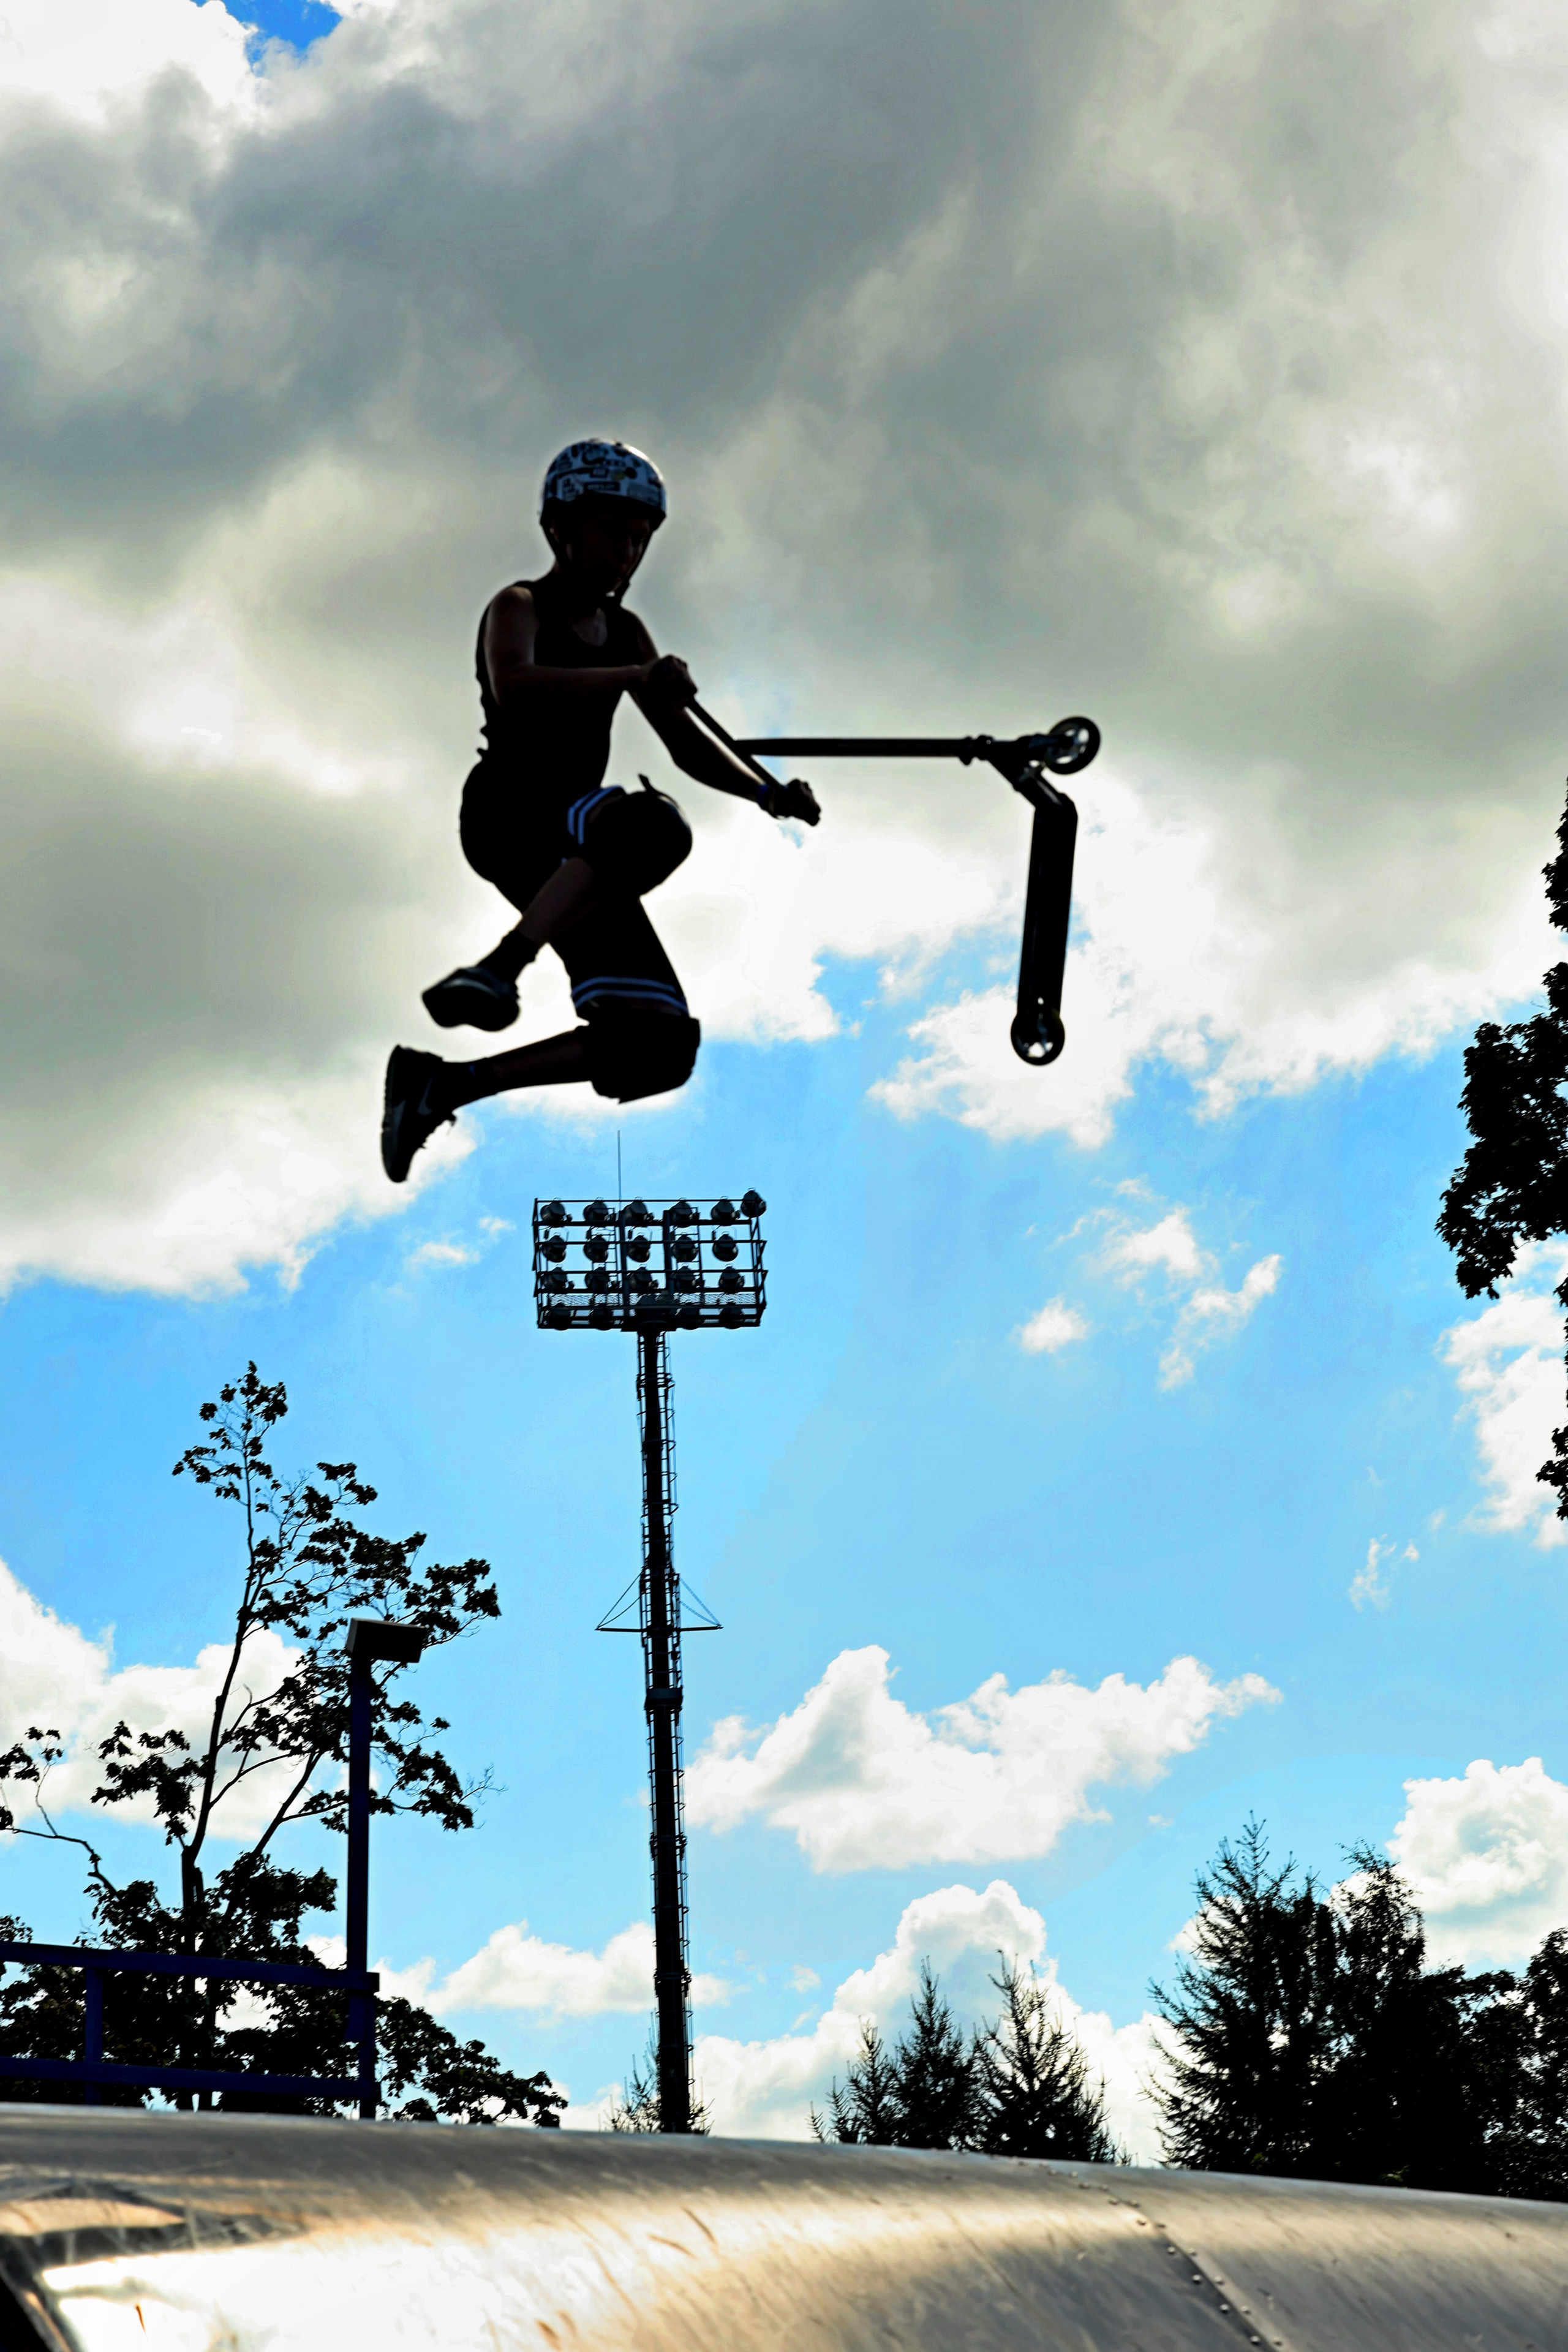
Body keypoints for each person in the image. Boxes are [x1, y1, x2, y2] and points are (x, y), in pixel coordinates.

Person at [381, 439, 819, 1183]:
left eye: (640, 536)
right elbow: (516, 684)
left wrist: (765, 791)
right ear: (561, 528)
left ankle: (443, 1086)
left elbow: (686, 746)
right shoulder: (520, 604)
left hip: (583, 850)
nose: (628, 550)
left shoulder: (627, 631)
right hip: (516, 811)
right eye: (613, 530)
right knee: (650, 824)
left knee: (659, 1045)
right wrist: (635, 676)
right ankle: (500, 967)